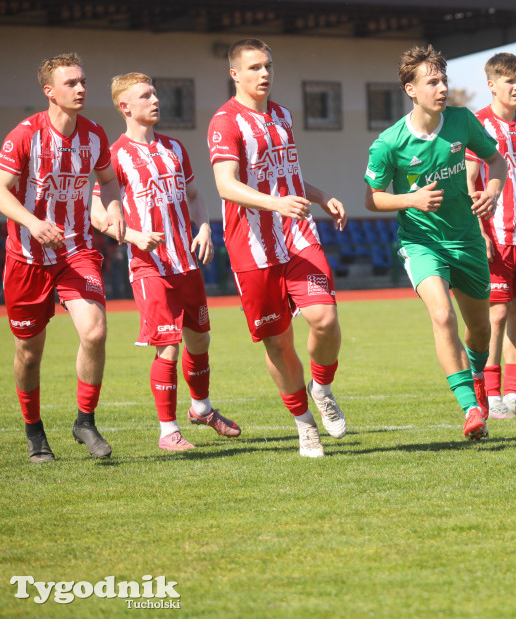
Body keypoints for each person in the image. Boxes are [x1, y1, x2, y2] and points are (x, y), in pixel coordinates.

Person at [208, 38, 347, 458]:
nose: (264, 73)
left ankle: (321, 389)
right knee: (278, 343)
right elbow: (225, 185)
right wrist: (276, 203)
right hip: (251, 246)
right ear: (235, 74)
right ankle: (304, 424)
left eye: (267, 65)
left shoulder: (282, 114)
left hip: (297, 235)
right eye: (253, 67)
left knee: (324, 319)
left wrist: (320, 196)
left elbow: (286, 177)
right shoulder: (225, 122)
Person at [90, 72, 241, 452]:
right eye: (145, 95)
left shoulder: (174, 147)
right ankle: (167, 431)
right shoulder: (114, 156)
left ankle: (202, 409)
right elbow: (94, 211)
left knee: (200, 339)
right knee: (168, 347)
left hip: (185, 263)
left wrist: (205, 227)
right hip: (149, 266)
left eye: (155, 93)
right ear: (125, 106)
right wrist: (132, 236)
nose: (155, 100)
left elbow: (195, 194)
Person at [365, 45, 506, 441]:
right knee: (443, 316)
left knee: (479, 330)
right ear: (410, 89)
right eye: (432, 82)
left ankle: (477, 375)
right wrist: (411, 199)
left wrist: (493, 190)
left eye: (444, 80)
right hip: (421, 242)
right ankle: (470, 408)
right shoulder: (389, 143)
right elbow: (371, 198)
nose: (442, 88)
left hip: (466, 241)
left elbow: (497, 161)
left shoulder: (462, 122)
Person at [0, 53, 125, 462]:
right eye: (71, 83)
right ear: (49, 91)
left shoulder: (94, 135)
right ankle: (34, 431)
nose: (81, 88)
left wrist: (115, 209)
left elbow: (108, 182)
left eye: (83, 81)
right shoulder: (24, 135)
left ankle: (84, 421)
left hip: (76, 251)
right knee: (29, 353)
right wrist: (33, 223)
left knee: (94, 332)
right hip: (26, 257)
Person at [466, 52, 516, 419]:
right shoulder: (478, 125)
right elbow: (469, 180)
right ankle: (491, 396)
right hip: (496, 237)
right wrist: (479, 230)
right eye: (509, 81)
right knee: (496, 315)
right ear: (492, 85)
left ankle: (515, 395)